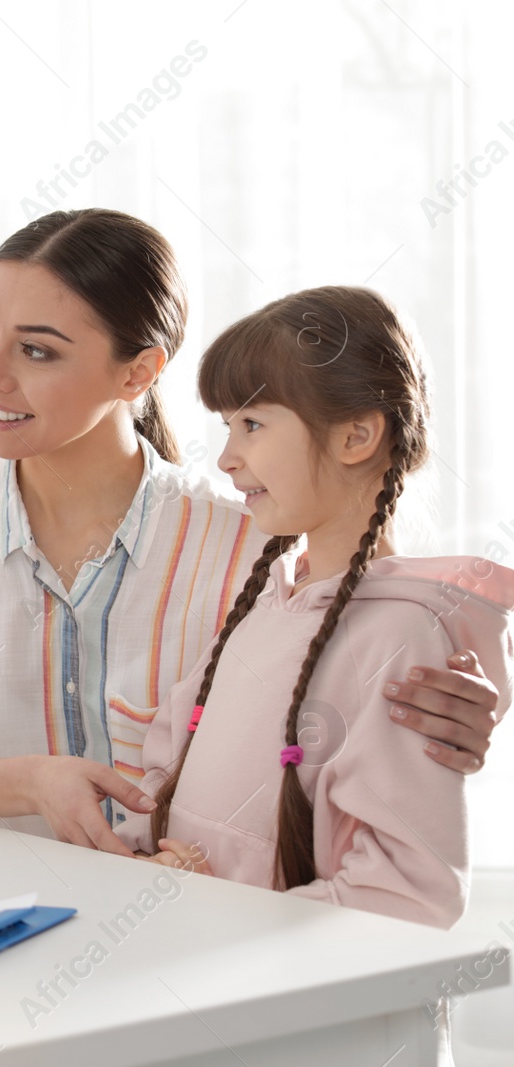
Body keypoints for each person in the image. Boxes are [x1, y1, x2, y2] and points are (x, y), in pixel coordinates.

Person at [0, 209, 503, 851]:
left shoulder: (256, 542)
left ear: (140, 371)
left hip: (201, 935)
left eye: (36, 350)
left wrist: (453, 713)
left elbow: (376, 664)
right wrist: (29, 781)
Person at [117, 285, 513, 929]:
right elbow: (165, 772)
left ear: (356, 436)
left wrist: (219, 916)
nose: (226, 457)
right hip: (208, 977)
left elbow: (409, 896)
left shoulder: (402, 636)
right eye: (226, 426)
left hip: (304, 1010)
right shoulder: (269, 601)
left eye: (252, 424)